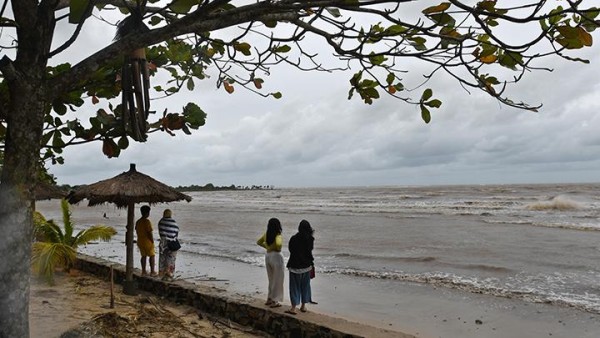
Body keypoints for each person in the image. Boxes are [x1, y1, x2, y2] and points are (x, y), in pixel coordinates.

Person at [285, 219, 315, 315]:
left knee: (294, 287)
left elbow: (291, 250)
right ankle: (303, 306)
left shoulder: (294, 238)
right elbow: (309, 251)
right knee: (305, 286)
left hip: (295, 266)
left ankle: (293, 308)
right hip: (306, 266)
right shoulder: (310, 239)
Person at [256, 218, 284, 308]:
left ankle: (269, 298)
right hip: (277, 256)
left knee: (271, 279)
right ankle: (275, 301)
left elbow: (259, 242)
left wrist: (268, 247)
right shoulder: (278, 235)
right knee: (278, 279)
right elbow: (279, 244)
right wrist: (277, 248)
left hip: (268, 256)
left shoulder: (266, 234)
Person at [158, 209, 180, 280]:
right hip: (171, 243)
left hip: (163, 243)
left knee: (162, 259)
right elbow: (176, 233)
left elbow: (160, 232)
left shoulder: (160, 222)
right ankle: (169, 273)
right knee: (171, 258)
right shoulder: (174, 222)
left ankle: (161, 273)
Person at [135, 205, 156, 275]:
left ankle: (143, 271)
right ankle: (152, 271)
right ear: (147, 213)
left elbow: (136, 229)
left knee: (143, 256)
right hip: (147, 242)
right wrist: (152, 241)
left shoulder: (138, 221)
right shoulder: (147, 222)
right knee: (152, 255)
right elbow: (149, 232)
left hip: (140, 241)